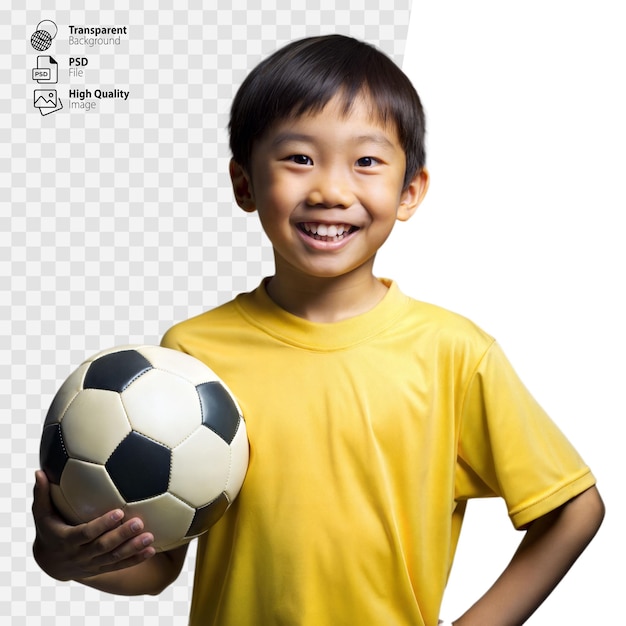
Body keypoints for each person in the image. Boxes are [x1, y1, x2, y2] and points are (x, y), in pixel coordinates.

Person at [32, 35, 604, 625]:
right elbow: (157, 566)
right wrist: (63, 554)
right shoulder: (192, 357)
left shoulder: (453, 354)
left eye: (366, 161)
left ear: (409, 191)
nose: (331, 190)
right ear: (245, 184)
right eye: (300, 158)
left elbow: (573, 509)